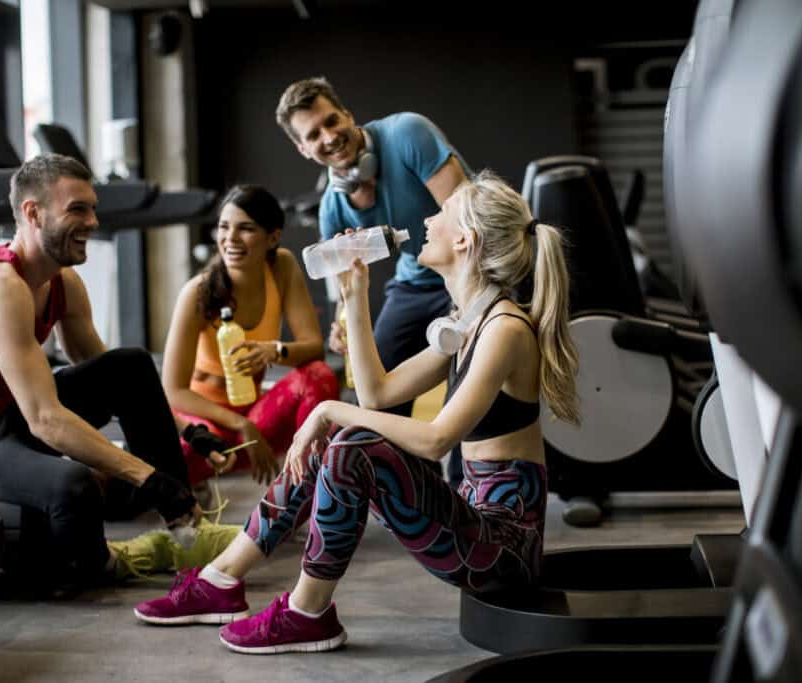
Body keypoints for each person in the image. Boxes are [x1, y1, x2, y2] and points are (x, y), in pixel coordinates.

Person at [133, 171, 581, 656]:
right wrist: (353, 293)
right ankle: (220, 579)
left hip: (502, 551)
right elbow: (376, 394)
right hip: (471, 526)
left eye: (440, 214)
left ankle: (308, 612)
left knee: (351, 445)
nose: (427, 220)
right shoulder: (465, 322)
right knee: (342, 439)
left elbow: (435, 440)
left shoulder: (504, 329)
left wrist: (327, 410)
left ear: (464, 240)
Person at [0, 154, 225, 589]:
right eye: (77, 209)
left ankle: (186, 526)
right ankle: (102, 565)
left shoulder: (63, 283)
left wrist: (188, 431)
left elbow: (121, 381)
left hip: (6, 415)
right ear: (33, 213)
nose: (93, 221)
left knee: (130, 364)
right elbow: (45, 419)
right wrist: (147, 477)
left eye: (93, 208)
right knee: (73, 485)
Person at [275, 78, 470, 428]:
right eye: (314, 135)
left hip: (473, 267)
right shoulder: (332, 208)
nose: (329, 137)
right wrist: (342, 322)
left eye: (331, 121)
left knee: (469, 380)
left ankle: (461, 476)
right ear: (302, 149)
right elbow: (344, 288)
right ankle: (394, 475)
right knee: (376, 388)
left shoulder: (408, 133)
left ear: (348, 115)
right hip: (416, 279)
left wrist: (465, 306)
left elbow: (468, 220)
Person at [162, 184, 339, 488]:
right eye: (223, 227)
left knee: (319, 376)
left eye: (245, 229)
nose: (230, 239)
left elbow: (314, 351)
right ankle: (182, 489)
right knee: (192, 450)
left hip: (255, 415)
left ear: (273, 238)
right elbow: (173, 391)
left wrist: (275, 350)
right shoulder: (196, 292)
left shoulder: (282, 266)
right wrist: (241, 425)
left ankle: (302, 496)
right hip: (206, 422)